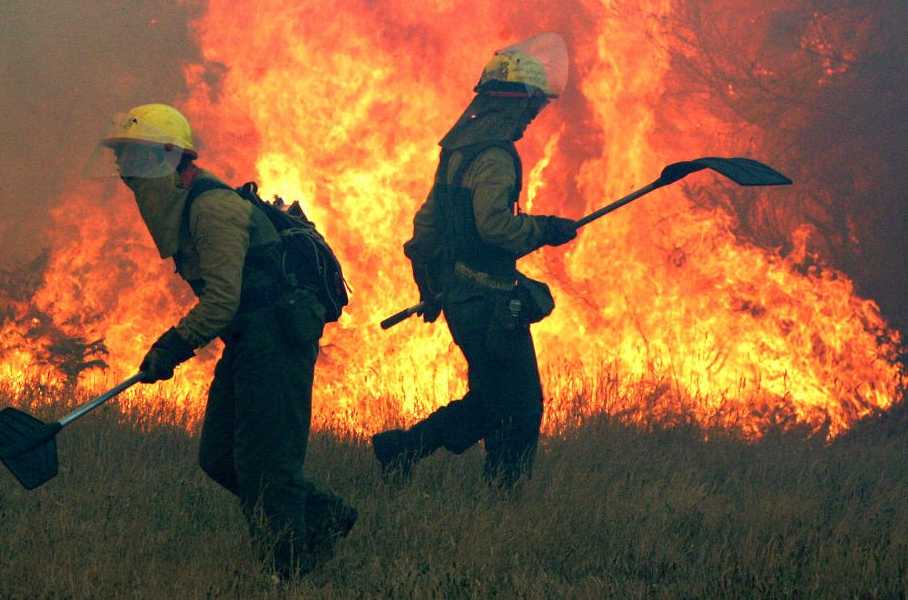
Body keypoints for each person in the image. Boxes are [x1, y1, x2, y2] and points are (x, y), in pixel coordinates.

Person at [97, 103, 356, 580]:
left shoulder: (212, 208)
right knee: (218, 457)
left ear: (173, 159)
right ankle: (324, 516)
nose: (128, 171)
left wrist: (171, 348)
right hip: (247, 341)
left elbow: (220, 301)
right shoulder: (185, 204)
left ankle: (288, 574)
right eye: (123, 158)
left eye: (139, 158)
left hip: (276, 338)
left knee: (268, 468)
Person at [371, 34, 579, 488]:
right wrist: (546, 229)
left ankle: (402, 451)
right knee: (521, 406)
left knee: (490, 399)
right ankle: (503, 498)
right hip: (490, 305)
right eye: (533, 107)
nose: (532, 117)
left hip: (463, 300)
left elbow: (426, 225)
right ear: (515, 104)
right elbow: (496, 228)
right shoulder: (495, 156)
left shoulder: (457, 151)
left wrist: (430, 287)